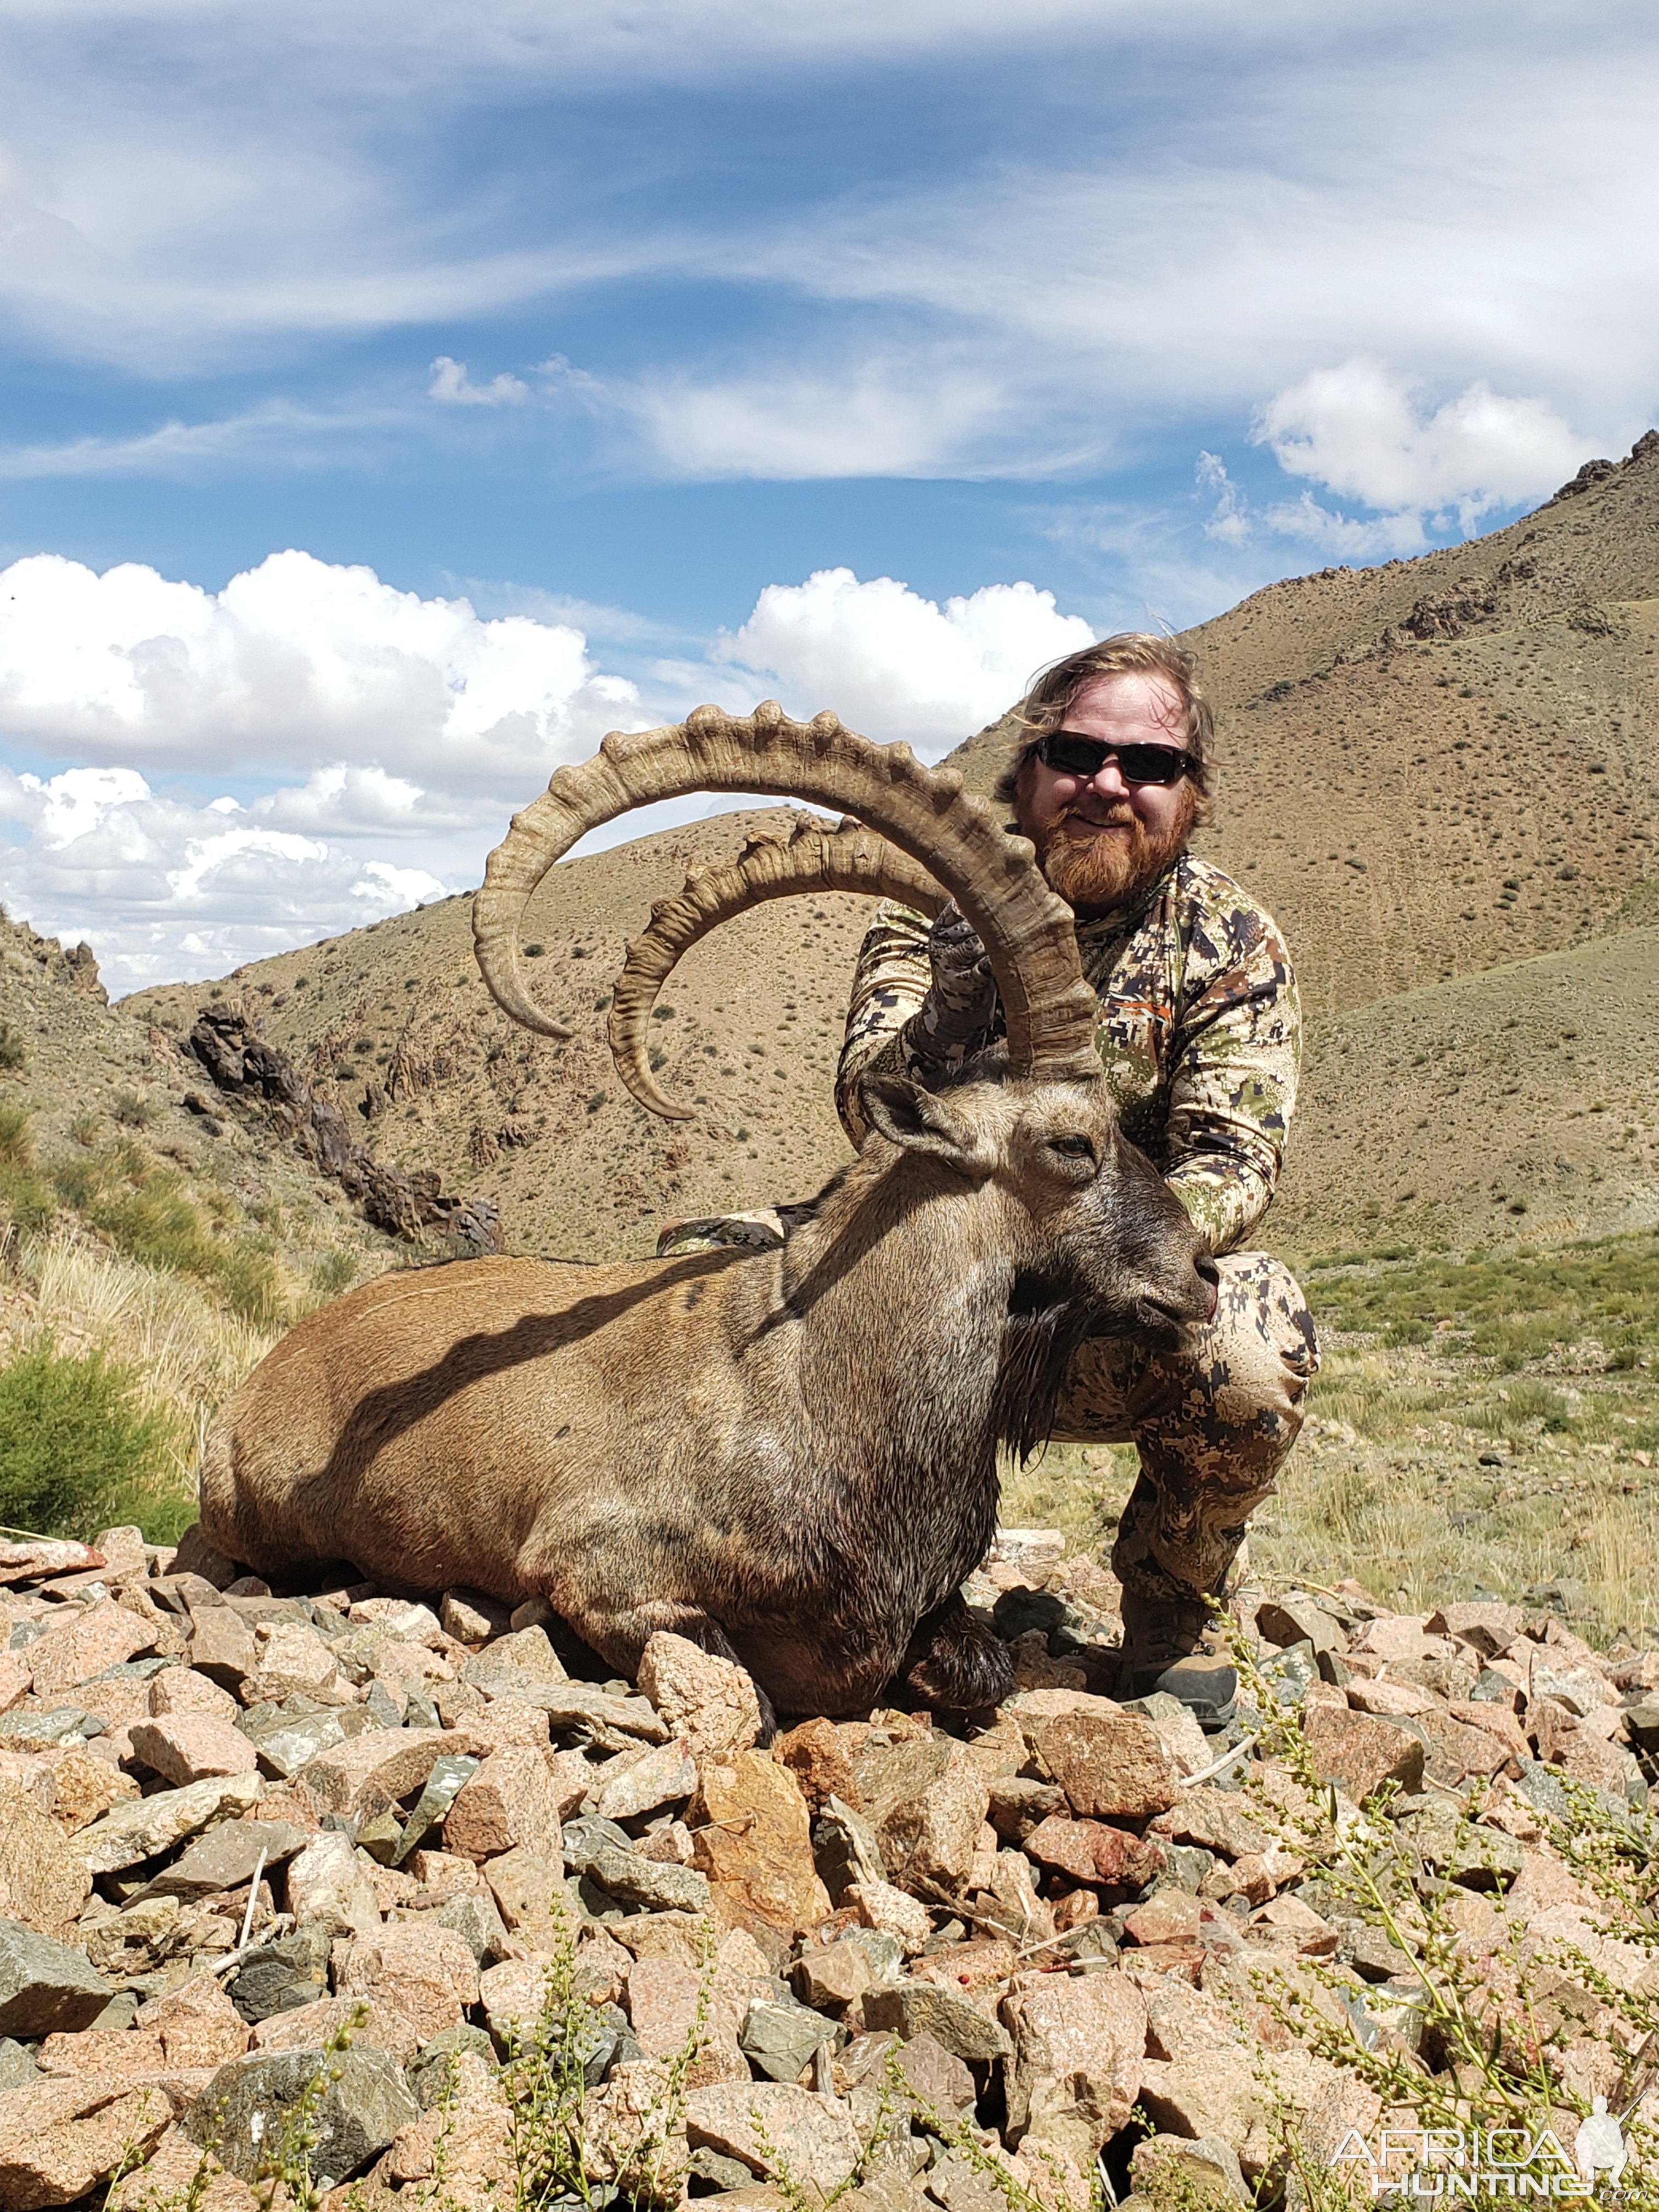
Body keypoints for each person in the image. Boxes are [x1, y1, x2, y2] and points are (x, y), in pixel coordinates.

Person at [663, 632, 1315, 1717]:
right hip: (919, 1284)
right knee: (690, 1271)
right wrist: (946, 1017)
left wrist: (1067, 1261)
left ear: (1191, 795)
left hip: (1091, 1304)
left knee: (1252, 1346)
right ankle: (739, 1561)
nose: (1108, 785)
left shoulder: (1229, 939)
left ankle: (1171, 1604)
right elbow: (868, 1106)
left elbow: (1230, 1169)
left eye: (1149, 766)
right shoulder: (934, 904)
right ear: (1029, 768)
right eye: (1077, 751)